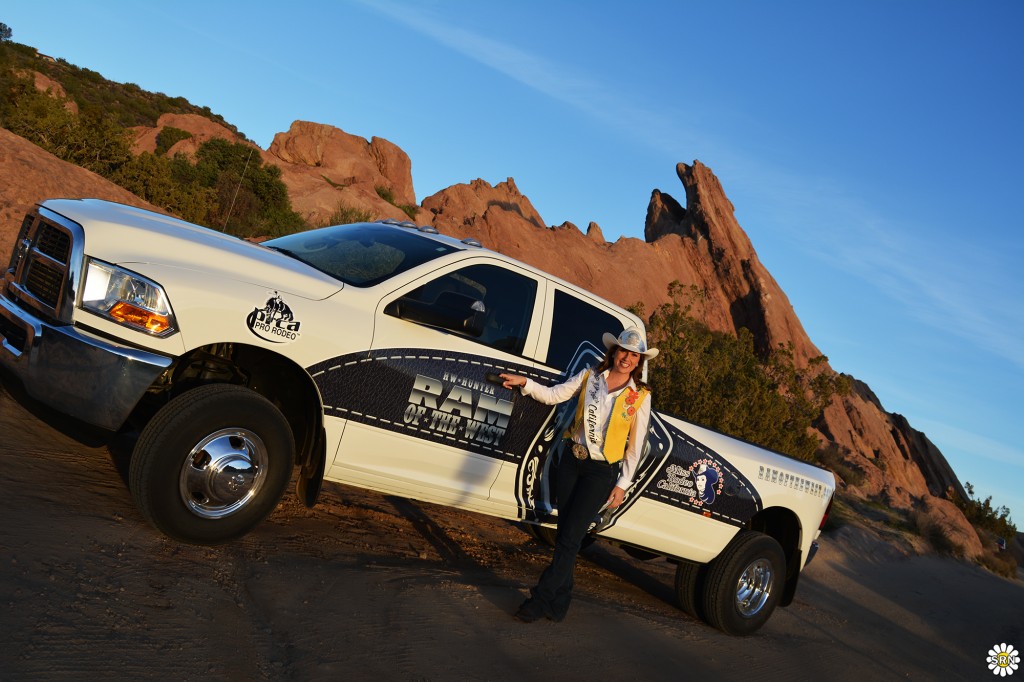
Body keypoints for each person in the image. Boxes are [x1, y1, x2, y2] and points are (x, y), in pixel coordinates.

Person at [500, 327, 658, 623]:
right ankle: (560, 603)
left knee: (571, 536)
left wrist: (623, 484)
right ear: (614, 352)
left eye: (633, 355)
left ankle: (540, 599)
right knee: (566, 537)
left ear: (639, 361)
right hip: (572, 461)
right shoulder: (590, 376)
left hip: (601, 472)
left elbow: (635, 446)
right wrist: (526, 383)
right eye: (623, 351)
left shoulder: (640, 396)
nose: (626, 358)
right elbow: (554, 395)